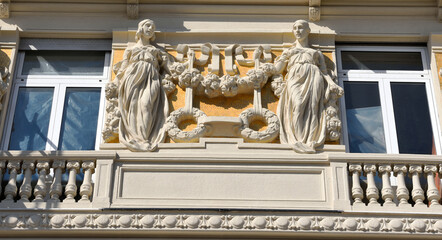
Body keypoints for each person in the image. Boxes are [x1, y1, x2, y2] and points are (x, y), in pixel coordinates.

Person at [275, 20, 343, 153]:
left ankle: (310, 139)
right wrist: (281, 59)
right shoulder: (290, 51)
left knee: (313, 108)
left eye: (300, 28)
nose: (297, 31)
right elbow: (277, 70)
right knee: (298, 104)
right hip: (295, 78)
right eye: (295, 28)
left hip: (314, 77)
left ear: (308, 31)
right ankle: (297, 140)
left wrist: (332, 83)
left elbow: (324, 72)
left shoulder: (316, 53)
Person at [115, 19, 169, 151]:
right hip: (132, 77)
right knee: (133, 106)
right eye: (148, 25)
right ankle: (136, 137)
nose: (150, 28)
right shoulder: (130, 49)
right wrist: (116, 81)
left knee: (146, 104)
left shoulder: (156, 51)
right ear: (140, 28)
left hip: (152, 78)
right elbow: (123, 67)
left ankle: (145, 138)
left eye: (153, 27)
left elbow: (168, 67)